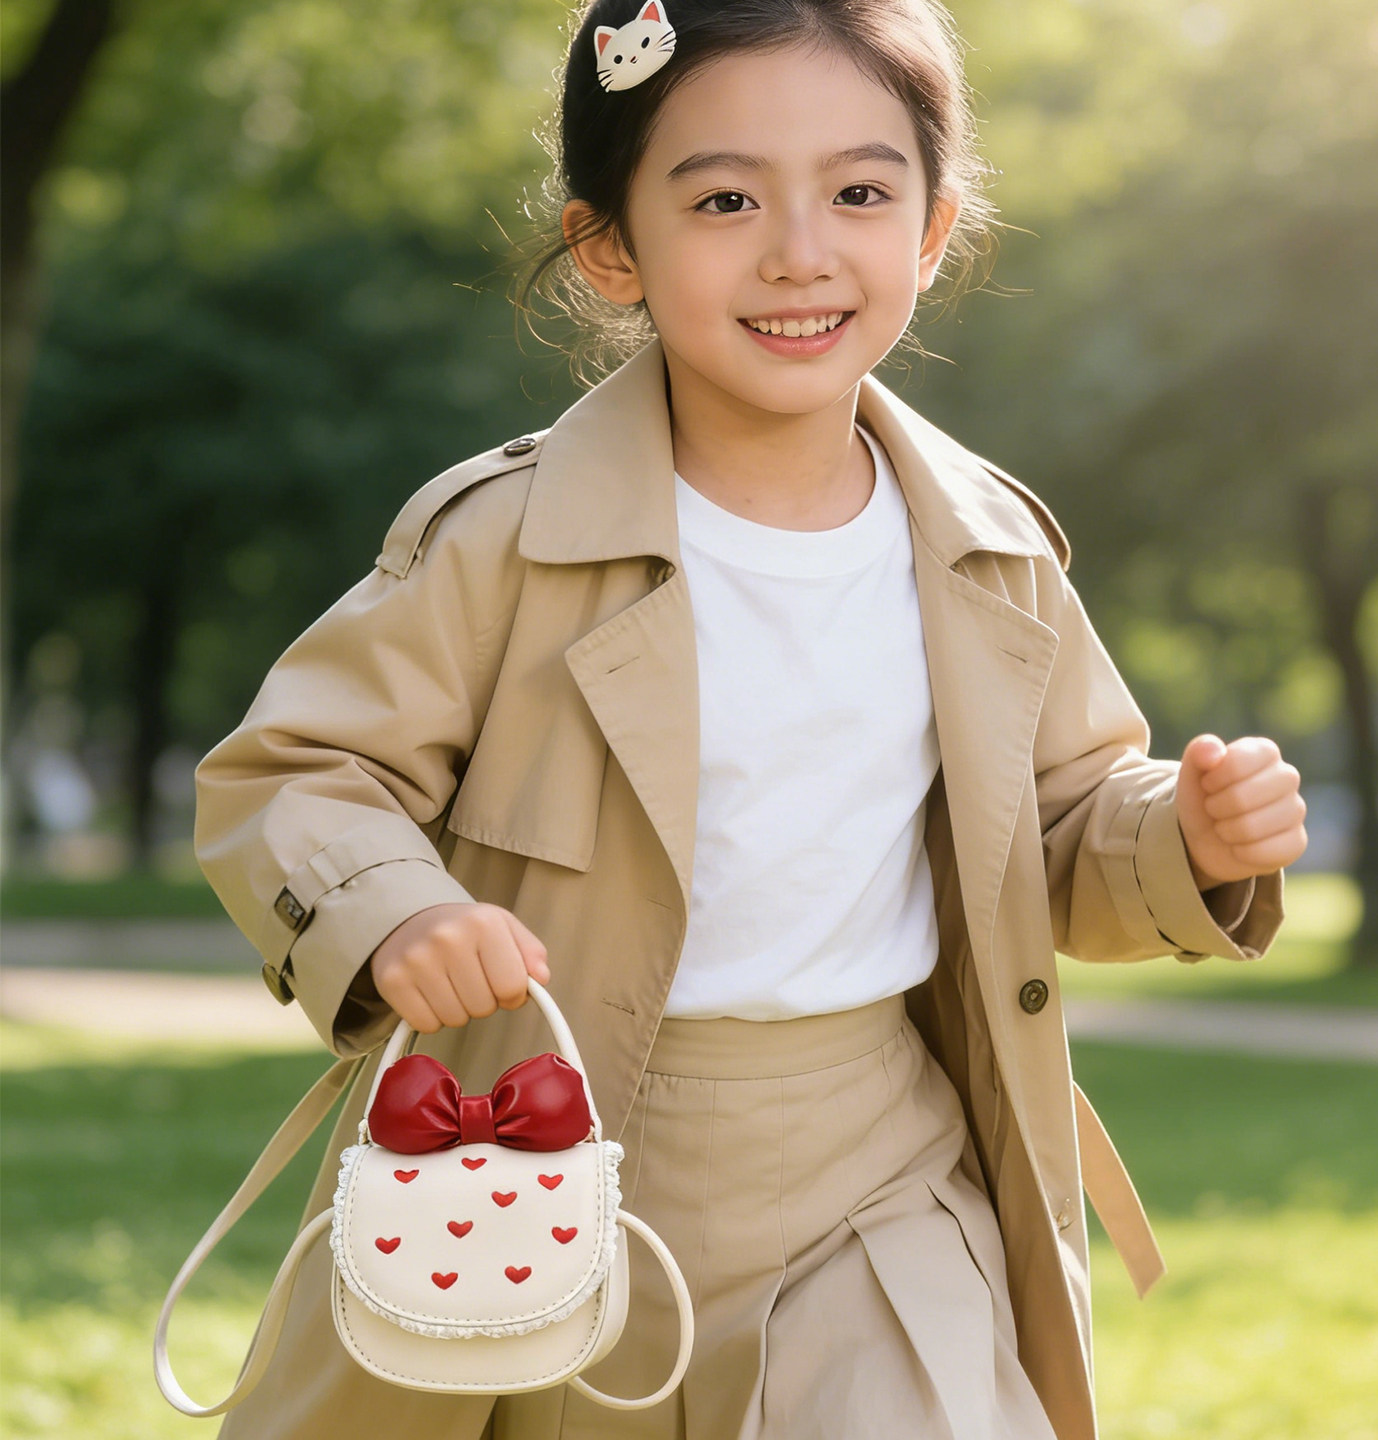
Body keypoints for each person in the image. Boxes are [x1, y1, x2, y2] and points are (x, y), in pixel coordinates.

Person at [190, 2, 1307, 1438]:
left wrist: (1186, 840)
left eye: (859, 191)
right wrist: (395, 911)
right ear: (609, 246)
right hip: (555, 1141)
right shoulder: (502, 541)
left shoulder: (991, 551)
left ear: (930, 228)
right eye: (724, 198)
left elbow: (1061, 831)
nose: (798, 248)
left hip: (883, 1165)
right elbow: (297, 772)